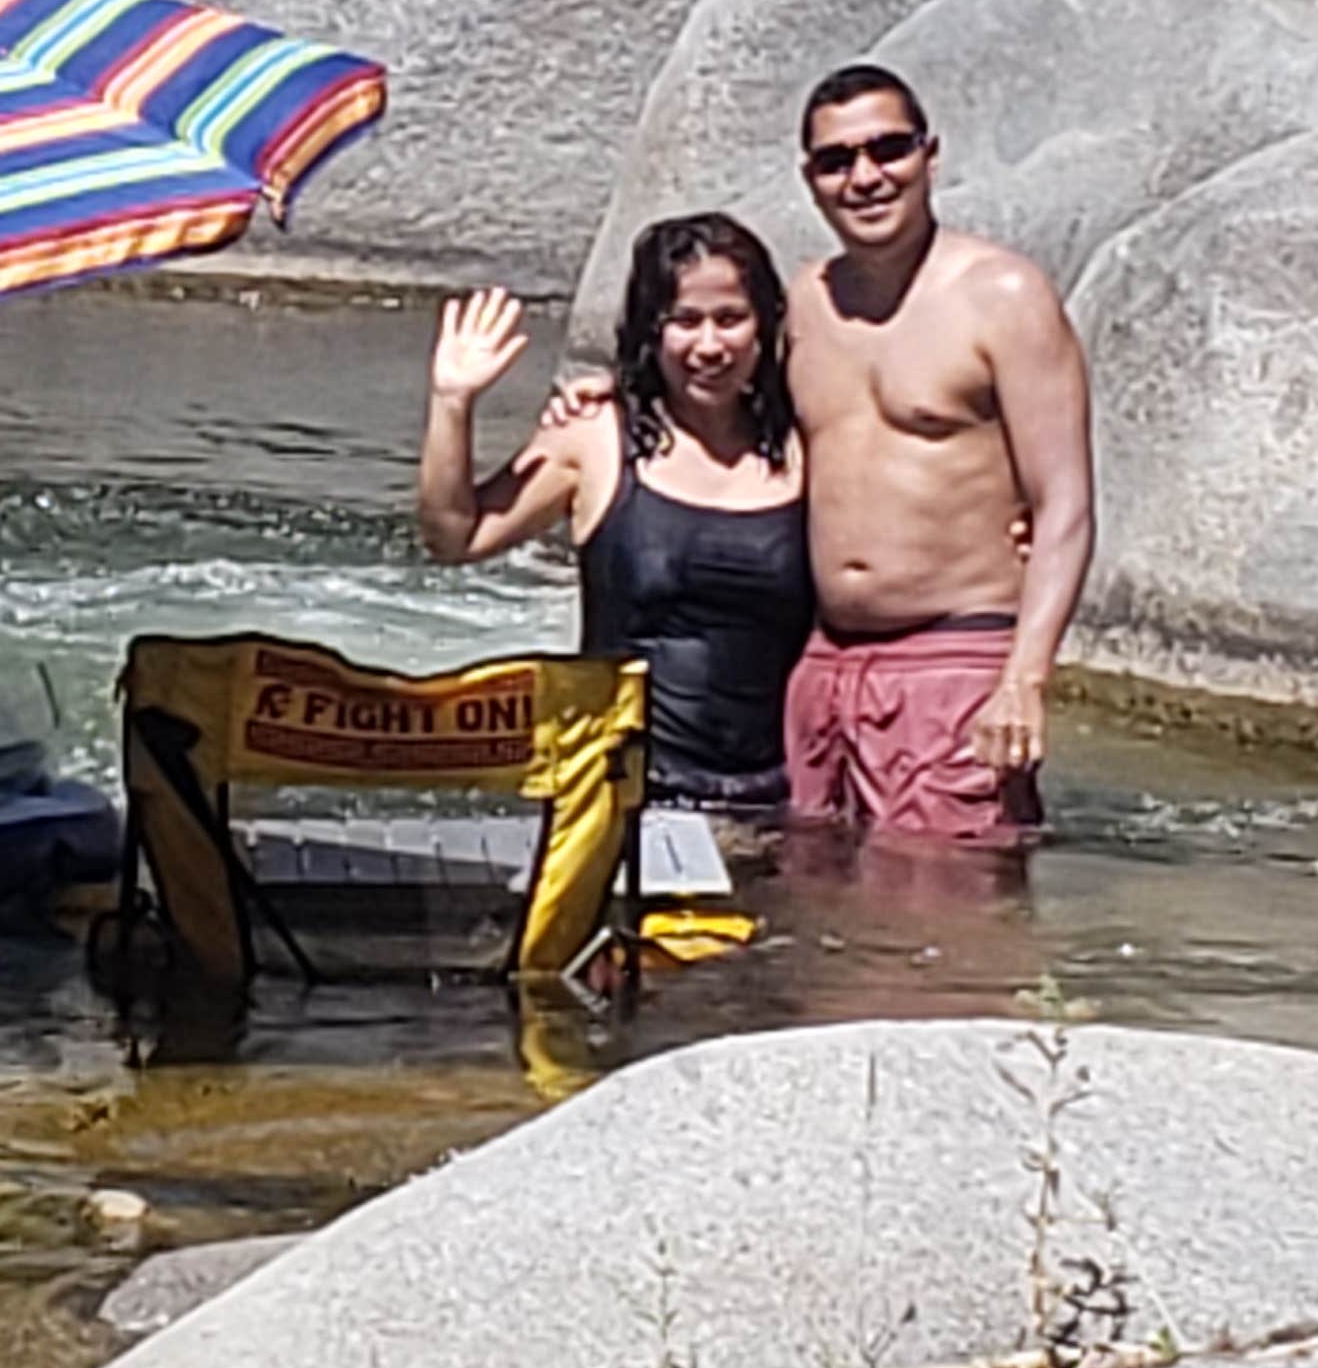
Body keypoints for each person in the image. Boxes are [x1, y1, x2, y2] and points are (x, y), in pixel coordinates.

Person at [781, 63, 1094, 852]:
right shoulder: (803, 303)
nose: (866, 176)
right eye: (837, 160)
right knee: (824, 922)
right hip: (821, 664)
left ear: (930, 155)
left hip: (955, 662)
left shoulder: (1004, 296)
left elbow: (1065, 506)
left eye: (889, 149)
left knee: (957, 931)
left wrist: (1024, 680)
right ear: (810, 179)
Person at [418, 213, 814, 804]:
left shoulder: (805, 443)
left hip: (776, 794)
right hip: (621, 789)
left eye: (730, 319)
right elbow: (456, 537)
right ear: (652, 329)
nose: (709, 345)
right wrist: (453, 401)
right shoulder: (594, 434)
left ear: (763, 324)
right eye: (685, 320)